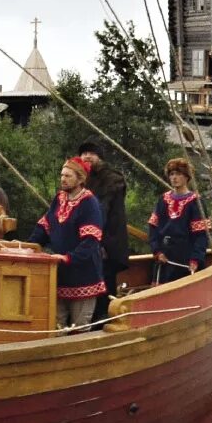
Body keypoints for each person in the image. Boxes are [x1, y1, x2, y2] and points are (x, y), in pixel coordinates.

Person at [35, 158, 107, 331]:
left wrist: (68, 258)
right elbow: (45, 227)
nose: (63, 179)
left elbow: (90, 241)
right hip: (59, 276)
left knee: (79, 329)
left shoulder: (89, 203)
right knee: (55, 327)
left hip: (83, 276)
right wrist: (27, 245)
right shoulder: (59, 199)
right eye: (62, 175)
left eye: (68, 176)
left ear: (80, 179)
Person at [77, 140, 128, 314]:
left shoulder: (112, 179)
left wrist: (98, 240)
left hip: (108, 240)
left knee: (104, 283)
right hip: (87, 239)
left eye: (92, 153)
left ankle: (103, 321)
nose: (87, 156)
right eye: (84, 153)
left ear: (99, 157)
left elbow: (102, 210)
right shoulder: (81, 178)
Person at [147, 157, 212, 283]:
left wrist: (195, 259)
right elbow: (153, 228)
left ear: (186, 176)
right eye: (172, 174)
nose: (174, 178)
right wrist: (157, 250)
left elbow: (201, 236)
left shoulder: (195, 202)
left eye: (178, 174)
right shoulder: (163, 199)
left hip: (185, 257)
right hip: (164, 256)